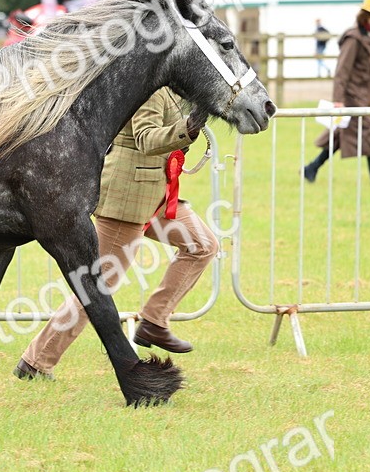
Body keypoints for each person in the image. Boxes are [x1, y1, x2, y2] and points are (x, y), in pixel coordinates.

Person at [14, 88, 218, 381]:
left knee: (202, 244)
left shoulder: (173, 89)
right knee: (98, 286)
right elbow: (146, 139)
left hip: (157, 194)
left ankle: (154, 321)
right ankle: (35, 362)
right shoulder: (152, 91)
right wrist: (187, 128)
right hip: (128, 196)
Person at [302, 0, 370, 186]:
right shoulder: (354, 39)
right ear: (368, 15)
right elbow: (341, 72)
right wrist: (338, 100)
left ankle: (311, 168)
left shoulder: (369, 37)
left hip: (362, 96)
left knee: (339, 137)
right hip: (351, 98)